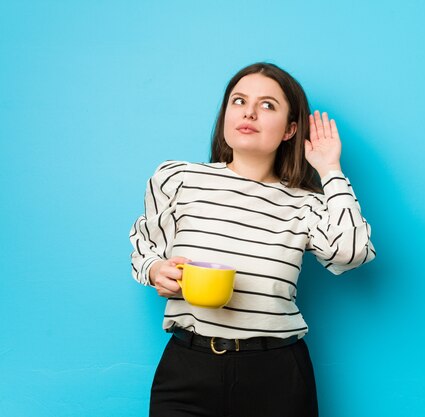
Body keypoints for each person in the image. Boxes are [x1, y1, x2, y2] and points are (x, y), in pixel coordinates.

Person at [129, 62, 376, 417]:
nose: (248, 112)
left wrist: (330, 170)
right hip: (188, 369)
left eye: (267, 105)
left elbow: (351, 253)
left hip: (276, 375)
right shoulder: (178, 179)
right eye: (239, 101)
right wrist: (156, 271)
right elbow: (146, 245)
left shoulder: (306, 203)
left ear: (291, 129)